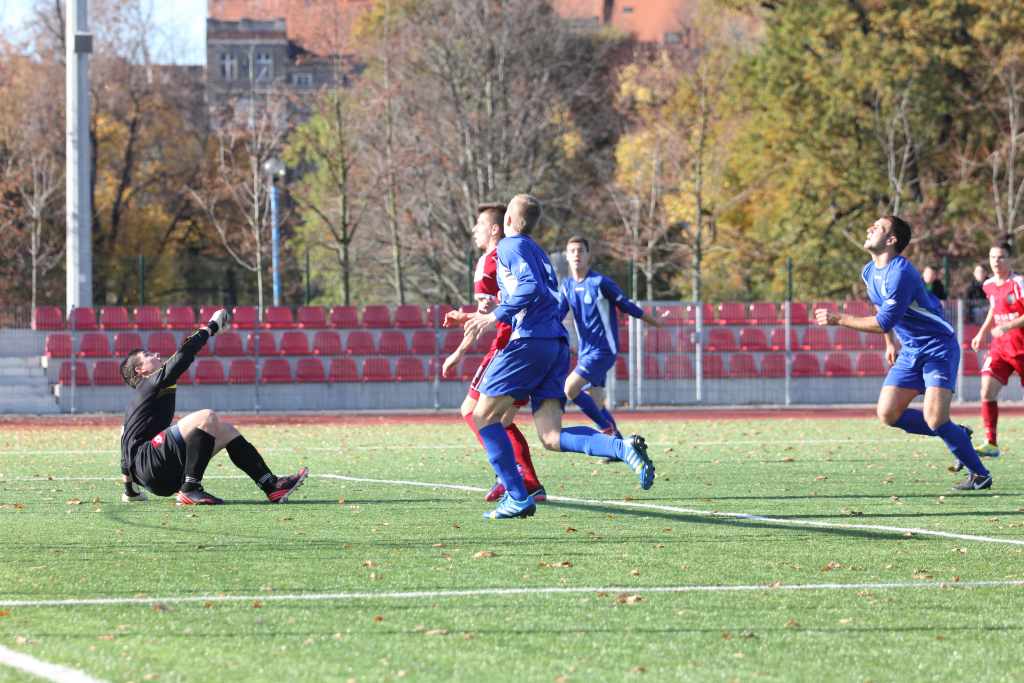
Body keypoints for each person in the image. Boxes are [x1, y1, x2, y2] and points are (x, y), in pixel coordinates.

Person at [463, 194, 655, 520]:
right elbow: (534, 290)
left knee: (482, 416)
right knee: (551, 436)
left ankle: (517, 495)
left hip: (529, 342)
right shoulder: (537, 250)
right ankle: (620, 447)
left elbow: (529, 288)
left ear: (508, 221)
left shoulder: (510, 246)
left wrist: (495, 318)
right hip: (555, 344)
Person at [814, 215, 991, 491]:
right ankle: (956, 433)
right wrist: (889, 343)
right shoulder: (869, 271)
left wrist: (839, 319)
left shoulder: (901, 273)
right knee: (888, 414)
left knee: (935, 419)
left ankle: (980, 474)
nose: (869, 228)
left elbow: (884, 320)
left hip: (937, 346)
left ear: (891, 239)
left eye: (878, 227)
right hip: (910, 350)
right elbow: (880, 310)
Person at [118, 309, 308, 505]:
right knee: (206, 417)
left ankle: (271, 486)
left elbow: (124, 443)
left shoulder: (141, 398)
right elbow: (183, 355)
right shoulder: (149, 383)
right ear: (140, 370)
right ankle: (190, 489)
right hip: (152, 466)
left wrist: (130, 491)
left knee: (226, 431)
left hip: (161, 477)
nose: (155, 354)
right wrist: (211, 327)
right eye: (148, 355)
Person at [441, 203, 544, 502]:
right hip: (532, 343)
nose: (474, 230)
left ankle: (508, 475)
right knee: (503, 420)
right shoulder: (517, 251)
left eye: (479, 225)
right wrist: (466, 318)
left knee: (472, 412)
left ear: (495, 228)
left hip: (509, 345)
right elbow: (495, 308)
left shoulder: (490, 262)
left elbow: (492, 315)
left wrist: (459, 352)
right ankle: (530, 483)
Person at [559, 235, 663, 437]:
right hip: (586, 352)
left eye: (581, 250)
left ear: (589, 255)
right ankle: (617, 443)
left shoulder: (600, 283)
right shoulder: (567, 286)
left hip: (603, 350)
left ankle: (605, 429)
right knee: (596, 401)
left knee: (569, 388)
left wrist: (655, 322)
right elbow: (557, 316)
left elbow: (626, 305)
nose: (576, 254)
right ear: (567, 256)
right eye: (572, 251)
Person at [969, 244, 1024, 458]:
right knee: (986, 391)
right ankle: (991, 443)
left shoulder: (1019, 283)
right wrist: (982, 333)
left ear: (1010, 260)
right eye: (992, 257)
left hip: (1021, 348)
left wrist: (1008, 326)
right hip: (1000, 349)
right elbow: (994, 308)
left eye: (1001, 257)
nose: (996, 261)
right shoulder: (988, 285)